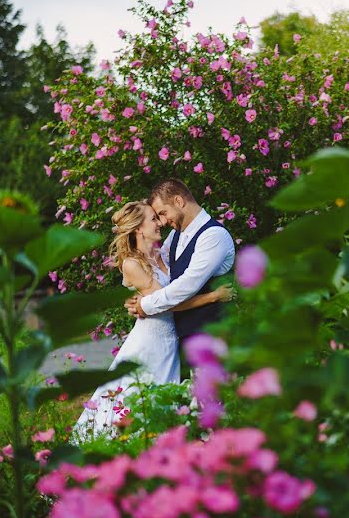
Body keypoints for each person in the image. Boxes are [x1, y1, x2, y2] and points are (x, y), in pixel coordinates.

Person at [72, 201, 234, 442]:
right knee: (138, 395)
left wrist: (143, 306)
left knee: (163, 398)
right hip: (150, 342)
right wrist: (213, 296)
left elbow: (174, 292)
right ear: (138, 228)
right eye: (152, 219)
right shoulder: (132, 264)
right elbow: (168, 302)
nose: (159, 223)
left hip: (170, 340)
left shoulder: (163, 253)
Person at [125, 179, 236, 347]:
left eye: (162, 213)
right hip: (186, 338)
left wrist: (145, 304)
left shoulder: (213, 236)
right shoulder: (176, 234)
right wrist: (138, 294)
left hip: (214, 334)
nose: (162, 222)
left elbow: (187, 285)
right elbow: (161, 269)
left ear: (178, 201)